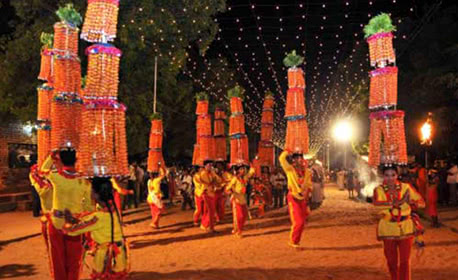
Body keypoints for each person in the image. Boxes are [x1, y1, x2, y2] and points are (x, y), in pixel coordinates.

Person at [38, 149, 94, 280]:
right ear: (76, 160)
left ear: (61, 160)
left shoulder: (56, 176)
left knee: (57, 259)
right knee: (74, 260)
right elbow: (89, 207)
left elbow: (41, 171)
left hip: (56, 222)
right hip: (75, 223)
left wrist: (51, 156)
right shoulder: (84, 181)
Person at [63, 177, 129, 279]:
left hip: (104, 257)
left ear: (95, 195)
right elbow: (87, 218)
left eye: (91, 190)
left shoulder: (97, 217)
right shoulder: (113, 210)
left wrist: (67, 222)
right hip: (119, 255)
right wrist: (74, 218)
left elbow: (72, 230)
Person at [373, 165, 425, 280]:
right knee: (391, 261)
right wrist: (397, 203)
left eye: (393, 175)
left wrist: (411, 201)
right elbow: (376, 207)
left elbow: (422, 203)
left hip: (405, 227)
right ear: (383, 176)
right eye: (387, 175)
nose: (390, 178)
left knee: (405, 261)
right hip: (387, 229)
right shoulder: (379, 190)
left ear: (397, 175)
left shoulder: (406, 187)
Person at [279, 150, 312, 248]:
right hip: (293, 197)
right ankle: (293, 241)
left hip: (302, 199)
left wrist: (307, 192)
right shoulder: (289, 169)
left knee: (302, 222)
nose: (299, 160)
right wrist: (288, 149)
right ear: (293, 159)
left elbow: (309, 185)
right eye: (296, 158)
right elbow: (281, 158)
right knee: (298, 222)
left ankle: (296, 241)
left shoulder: (307, 172)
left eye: (300, 158)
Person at [225, 164, 255, 237]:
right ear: (238, 171)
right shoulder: (235, 179)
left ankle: (237, 229)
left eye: (244, 169)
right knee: (239, 216)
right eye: (241, 169)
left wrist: (252, 163)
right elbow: (227, 188)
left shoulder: (244, 178)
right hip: (236, 199)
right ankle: (238, 231)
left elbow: (251, 172)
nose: (243, 170)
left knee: (244, 215)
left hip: (243, 199)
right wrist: (232, 192)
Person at [193, 161, 218, 232]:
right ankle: (200, 222)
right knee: (201, 209)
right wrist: (210, 184)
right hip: (202, 193)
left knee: (208, 210)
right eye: (209, 165)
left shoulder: (211, 173)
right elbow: (200, 184)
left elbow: (217, 180)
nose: (210, 166)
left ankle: (207, 225)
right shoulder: (199, 175)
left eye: (211, 165)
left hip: (210, 193)